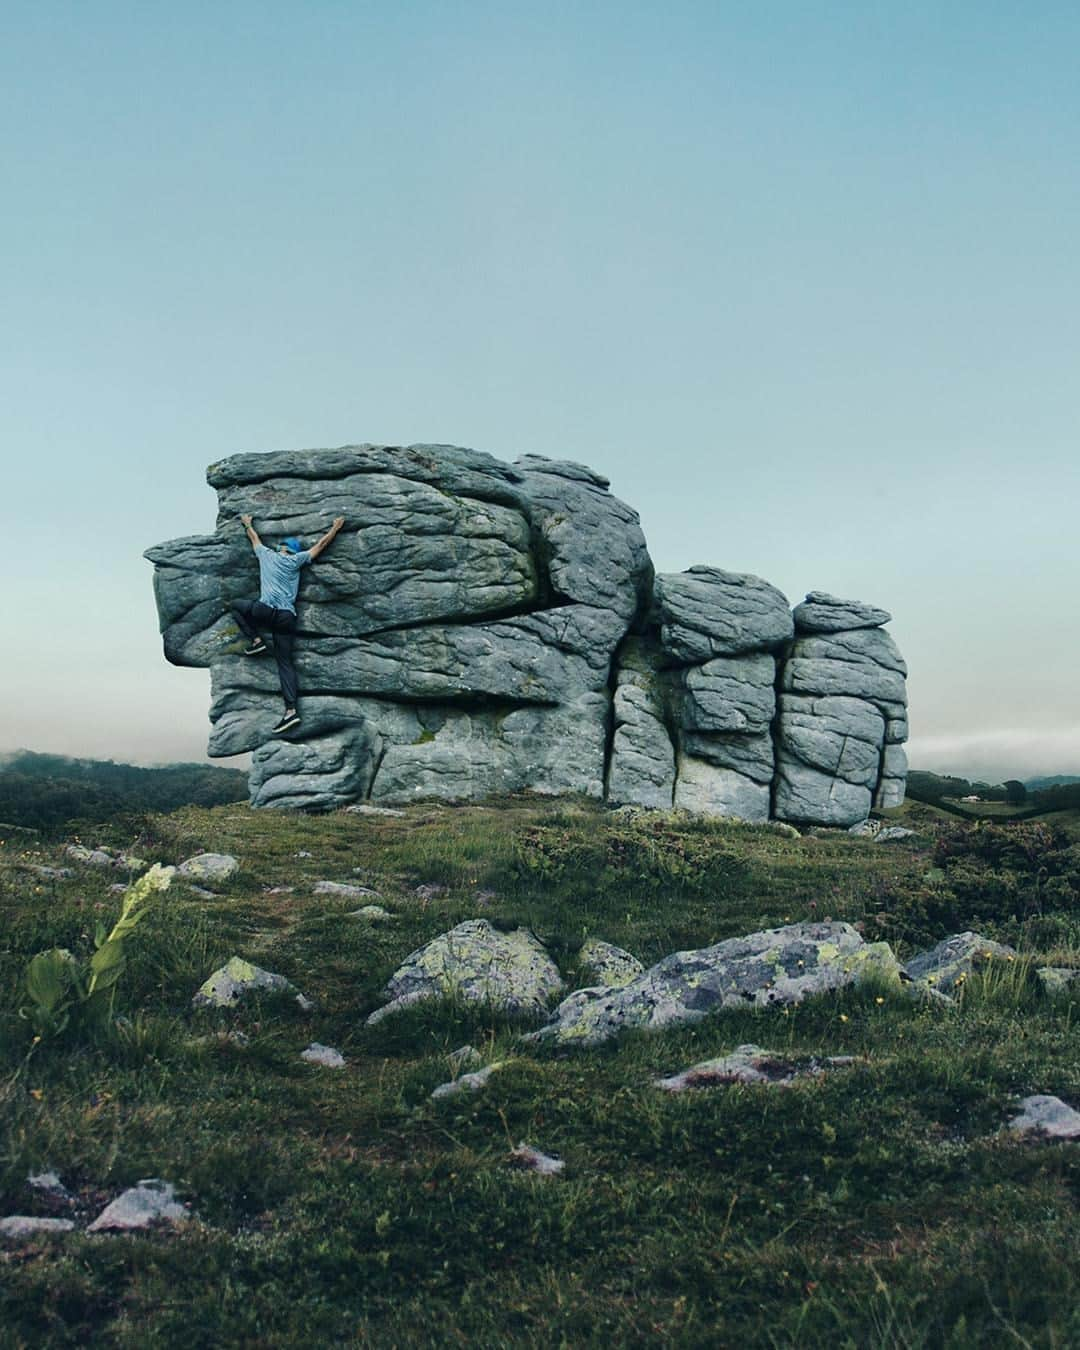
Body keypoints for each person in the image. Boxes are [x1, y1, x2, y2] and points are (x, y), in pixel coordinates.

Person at [232, 513, 346, 735]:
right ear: (293, 551)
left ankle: (256, 640)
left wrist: (247, 523)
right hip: (286, 616)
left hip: (264, 611)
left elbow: (253, 538)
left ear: (280, 548)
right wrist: (336, 528)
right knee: (285, 663)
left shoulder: (266, 555)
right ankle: (291, 711)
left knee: (236, 606)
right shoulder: (297, 560)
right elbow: (321, 545)